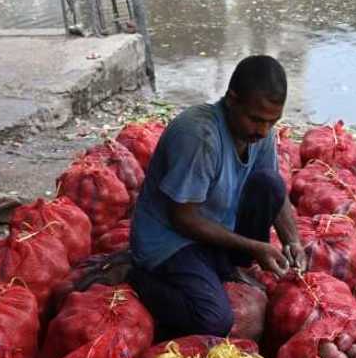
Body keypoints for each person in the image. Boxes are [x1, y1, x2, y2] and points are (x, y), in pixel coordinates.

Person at [128, 55, 305, 339]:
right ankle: (136, 277)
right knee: (214, 321)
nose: (263, 130)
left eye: (272, 122)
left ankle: (222, 267)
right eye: (256, 119)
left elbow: (276, 191)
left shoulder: (261, 134)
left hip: (215, 230)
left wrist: (293, 241)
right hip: (171, 242)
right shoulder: (200, 136)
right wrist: (254, 247)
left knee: (270, 183)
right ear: (232, 99)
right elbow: (182, 218)